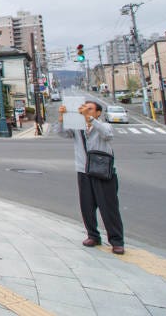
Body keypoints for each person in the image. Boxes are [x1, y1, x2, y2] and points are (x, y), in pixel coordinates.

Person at [57, 101, 125, 255]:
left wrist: (90, 119)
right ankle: (93, 235)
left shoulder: (103, 126)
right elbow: (62, 133)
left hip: (103, 171)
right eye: (85, 108)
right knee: (87, 206)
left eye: (90, 109)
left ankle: (116, 241)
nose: (86, 111)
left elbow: (108, 135)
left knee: (109, 207)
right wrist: (62, 117)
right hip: (84, 170)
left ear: (98, 112)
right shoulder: (78, 127)